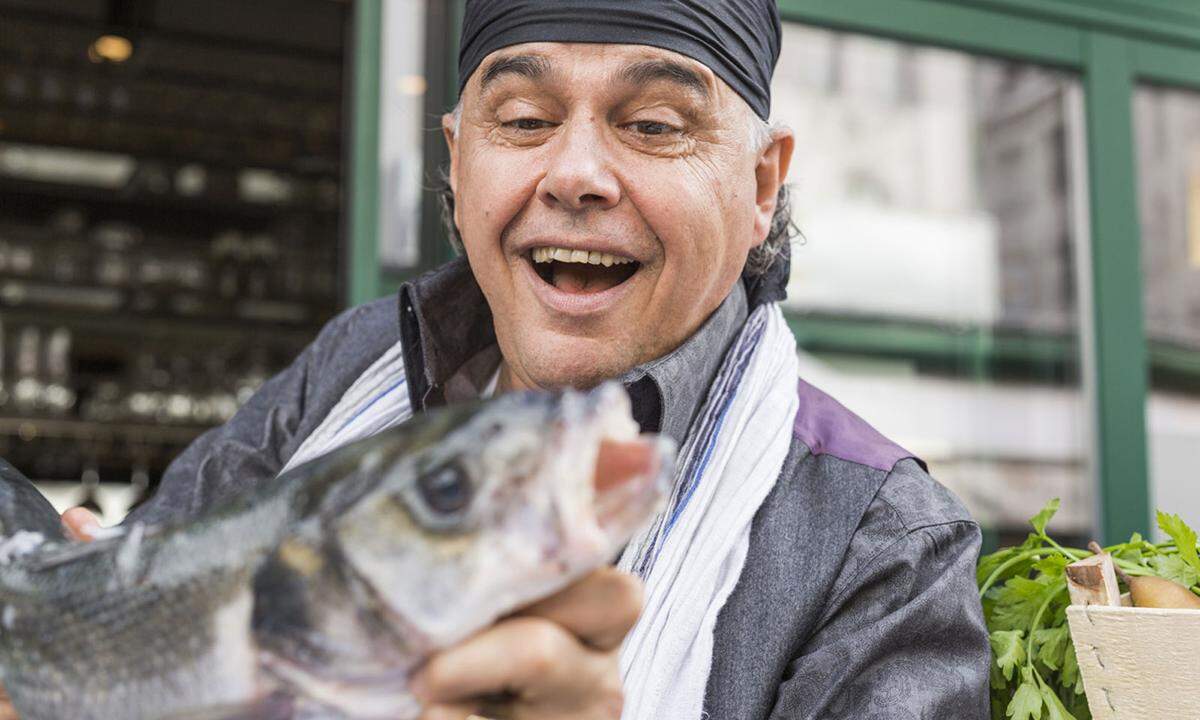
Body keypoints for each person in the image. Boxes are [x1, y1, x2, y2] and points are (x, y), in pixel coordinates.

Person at [2, 1, 991, 718]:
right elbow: (145, 602)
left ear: (763, 180)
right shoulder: (349, 367)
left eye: (652, 124)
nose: (575, 174)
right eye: (522, 120)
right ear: (457, 154)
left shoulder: (885, 548)